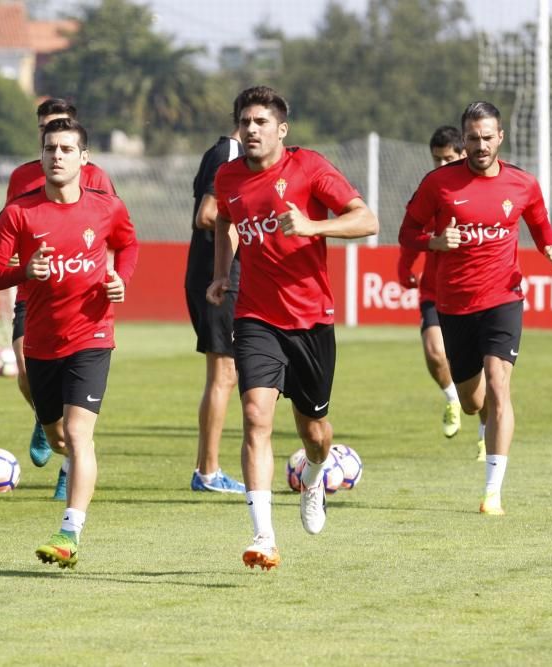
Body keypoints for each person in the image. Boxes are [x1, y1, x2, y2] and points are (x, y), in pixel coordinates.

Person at [206, 86, 378, 570]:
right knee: (256, 416)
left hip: (311, 320)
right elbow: (224, 220)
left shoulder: (309, 168)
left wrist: (311, 228)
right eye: (245, 122)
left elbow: (366, 220)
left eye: (261, 122)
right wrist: (222, 273)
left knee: (315, 431)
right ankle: (263, 536)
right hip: (256, 316)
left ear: (282, 130)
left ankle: (316, 474)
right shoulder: (228, 176)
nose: (251, 129)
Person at [0, 118, 138, 568]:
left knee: (76, 433)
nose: (57, 156)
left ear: (84, 159)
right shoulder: (19, 213)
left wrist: (119, 279)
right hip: (42, 345)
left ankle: (69, 531)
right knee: (57, 435)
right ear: (42, 154)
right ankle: (55, 438)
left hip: (93, 335)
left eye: (67, 149)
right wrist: (24, 271)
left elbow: (128, 246)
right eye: (50, 148)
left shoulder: (106, 206)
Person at [400, 101, 552, 516]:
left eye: (487, 137)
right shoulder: (439, 184)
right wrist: (433, 242)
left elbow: (541, 225)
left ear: (500, 137)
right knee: (475, 401)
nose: (479, 145)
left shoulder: (522, 184)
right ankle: (479, 418)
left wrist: (551, 249)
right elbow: (408, 231)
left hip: (504, 299)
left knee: (499, 382)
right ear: (464, 139)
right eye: (472, 138)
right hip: (454, 305)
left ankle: (493, 492)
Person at [5, 98, 116, 501]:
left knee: (76, 427)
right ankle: (43, 412)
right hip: (32, 292)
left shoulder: (98, 178)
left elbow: (114, 229)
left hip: (81, 302)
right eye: (45, 134)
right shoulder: (20, 177)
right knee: (22, 367)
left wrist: (114, 277)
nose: (54, 147)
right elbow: (10, 228)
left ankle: (69, 472)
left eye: (61, 136)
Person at [398, 126, 487, 460]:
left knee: (483, 373)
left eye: (447, 158)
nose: (441, 164)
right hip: (435, 290)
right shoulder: (433, 188)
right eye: (436, 159)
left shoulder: (484, 186)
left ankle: (484, 433)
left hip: (478, 293)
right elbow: (412, 228)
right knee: (435, 352)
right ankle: (451, 399)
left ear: (463, 153)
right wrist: (405, 267)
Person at [184, 107, 246, 494]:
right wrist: (254, 221)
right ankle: (207, 473)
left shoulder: (225, 153)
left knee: (227, 373)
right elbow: (207, 214)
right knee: (223, 375)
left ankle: (207, 470)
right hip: (217, 278)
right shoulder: (228, 153)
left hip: (217, 277)